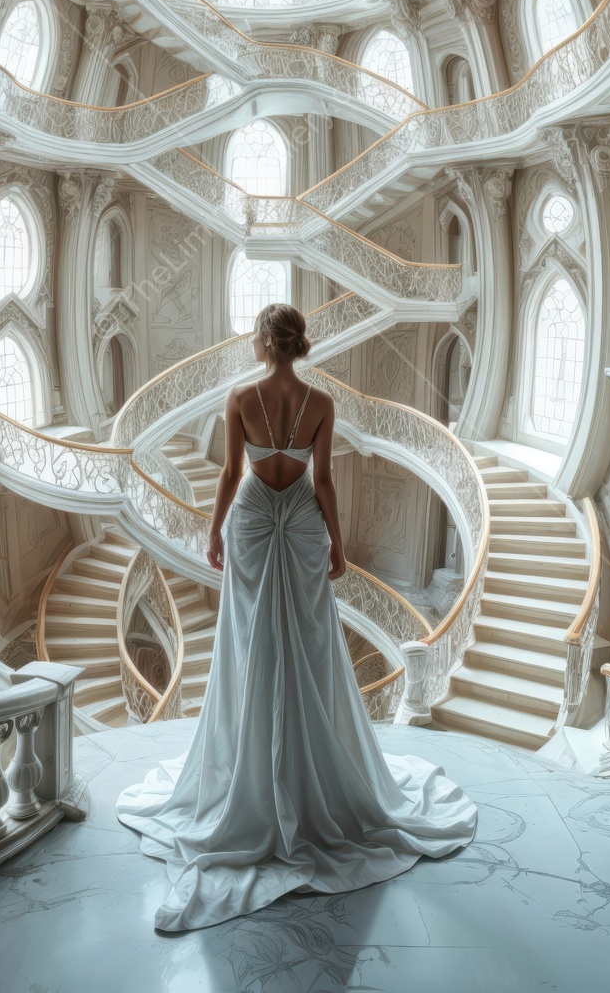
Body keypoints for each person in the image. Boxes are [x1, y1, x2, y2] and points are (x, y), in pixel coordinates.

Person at [116, 301, 477, 932]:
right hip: (304, 518)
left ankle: (249, 773)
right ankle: (310, 771)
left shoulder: (240, 399)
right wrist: (337, 542)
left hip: (254, 517)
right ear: (298, 344)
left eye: (257, 335)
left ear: (263, 343)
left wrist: (214, 531)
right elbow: (326, 481)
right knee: (308, 643)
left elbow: (231, 472)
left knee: (251, 641)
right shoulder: (320, 403)